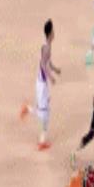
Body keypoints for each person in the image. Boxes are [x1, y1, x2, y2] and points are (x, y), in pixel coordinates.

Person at [20, 19, 61, 150]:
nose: (54, 33)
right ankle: (28, 109)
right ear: (50, 33)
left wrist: (55, 69)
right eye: (53, 31)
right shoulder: (47, 47)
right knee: (43, 113)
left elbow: (48, 62)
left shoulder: (47, 45)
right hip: (42, 84)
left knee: (45, 111)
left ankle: (42, 140)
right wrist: (51, 77)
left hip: (43, 83)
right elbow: (43, 64)